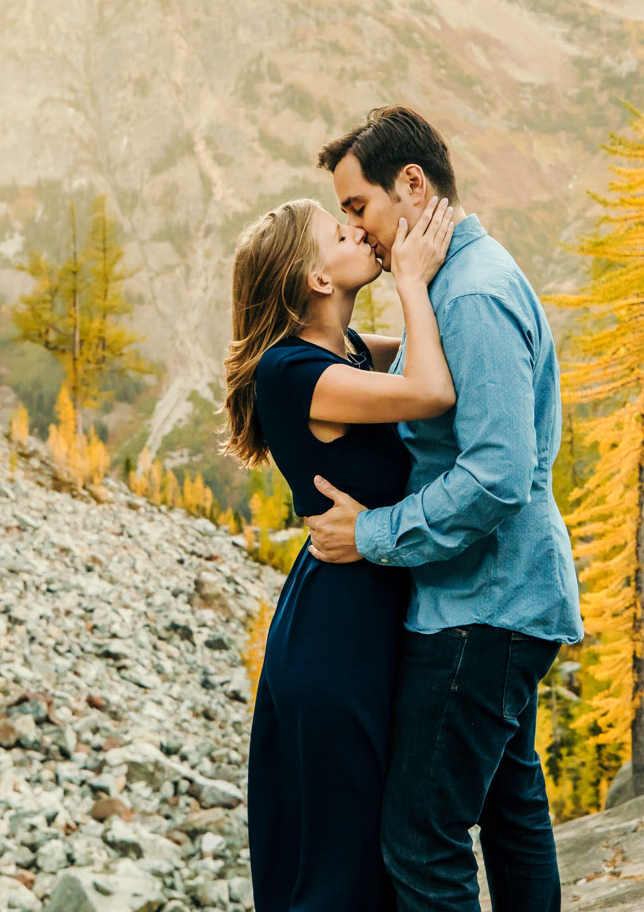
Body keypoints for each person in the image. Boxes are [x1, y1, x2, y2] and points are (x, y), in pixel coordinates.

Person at [305, 106, 582, 912]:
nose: (357, 229)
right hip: (505, 601)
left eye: (358, 206)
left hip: (477, 611)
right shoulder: (457, 281)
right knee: (510, 808)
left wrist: (371, 533)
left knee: (420, 839)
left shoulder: (471, 295)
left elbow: (497, 474)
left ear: (412, 185)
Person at [224, 194, 458, 912]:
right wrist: (412, 278)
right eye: (340, 228)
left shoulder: (348, 353)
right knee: (341, 870)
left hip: (358, 614)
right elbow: (431, 388)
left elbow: (435, 344)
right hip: (338, 640)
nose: (358, 229)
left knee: (368, 859)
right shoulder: (290, 373)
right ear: (315, 277)